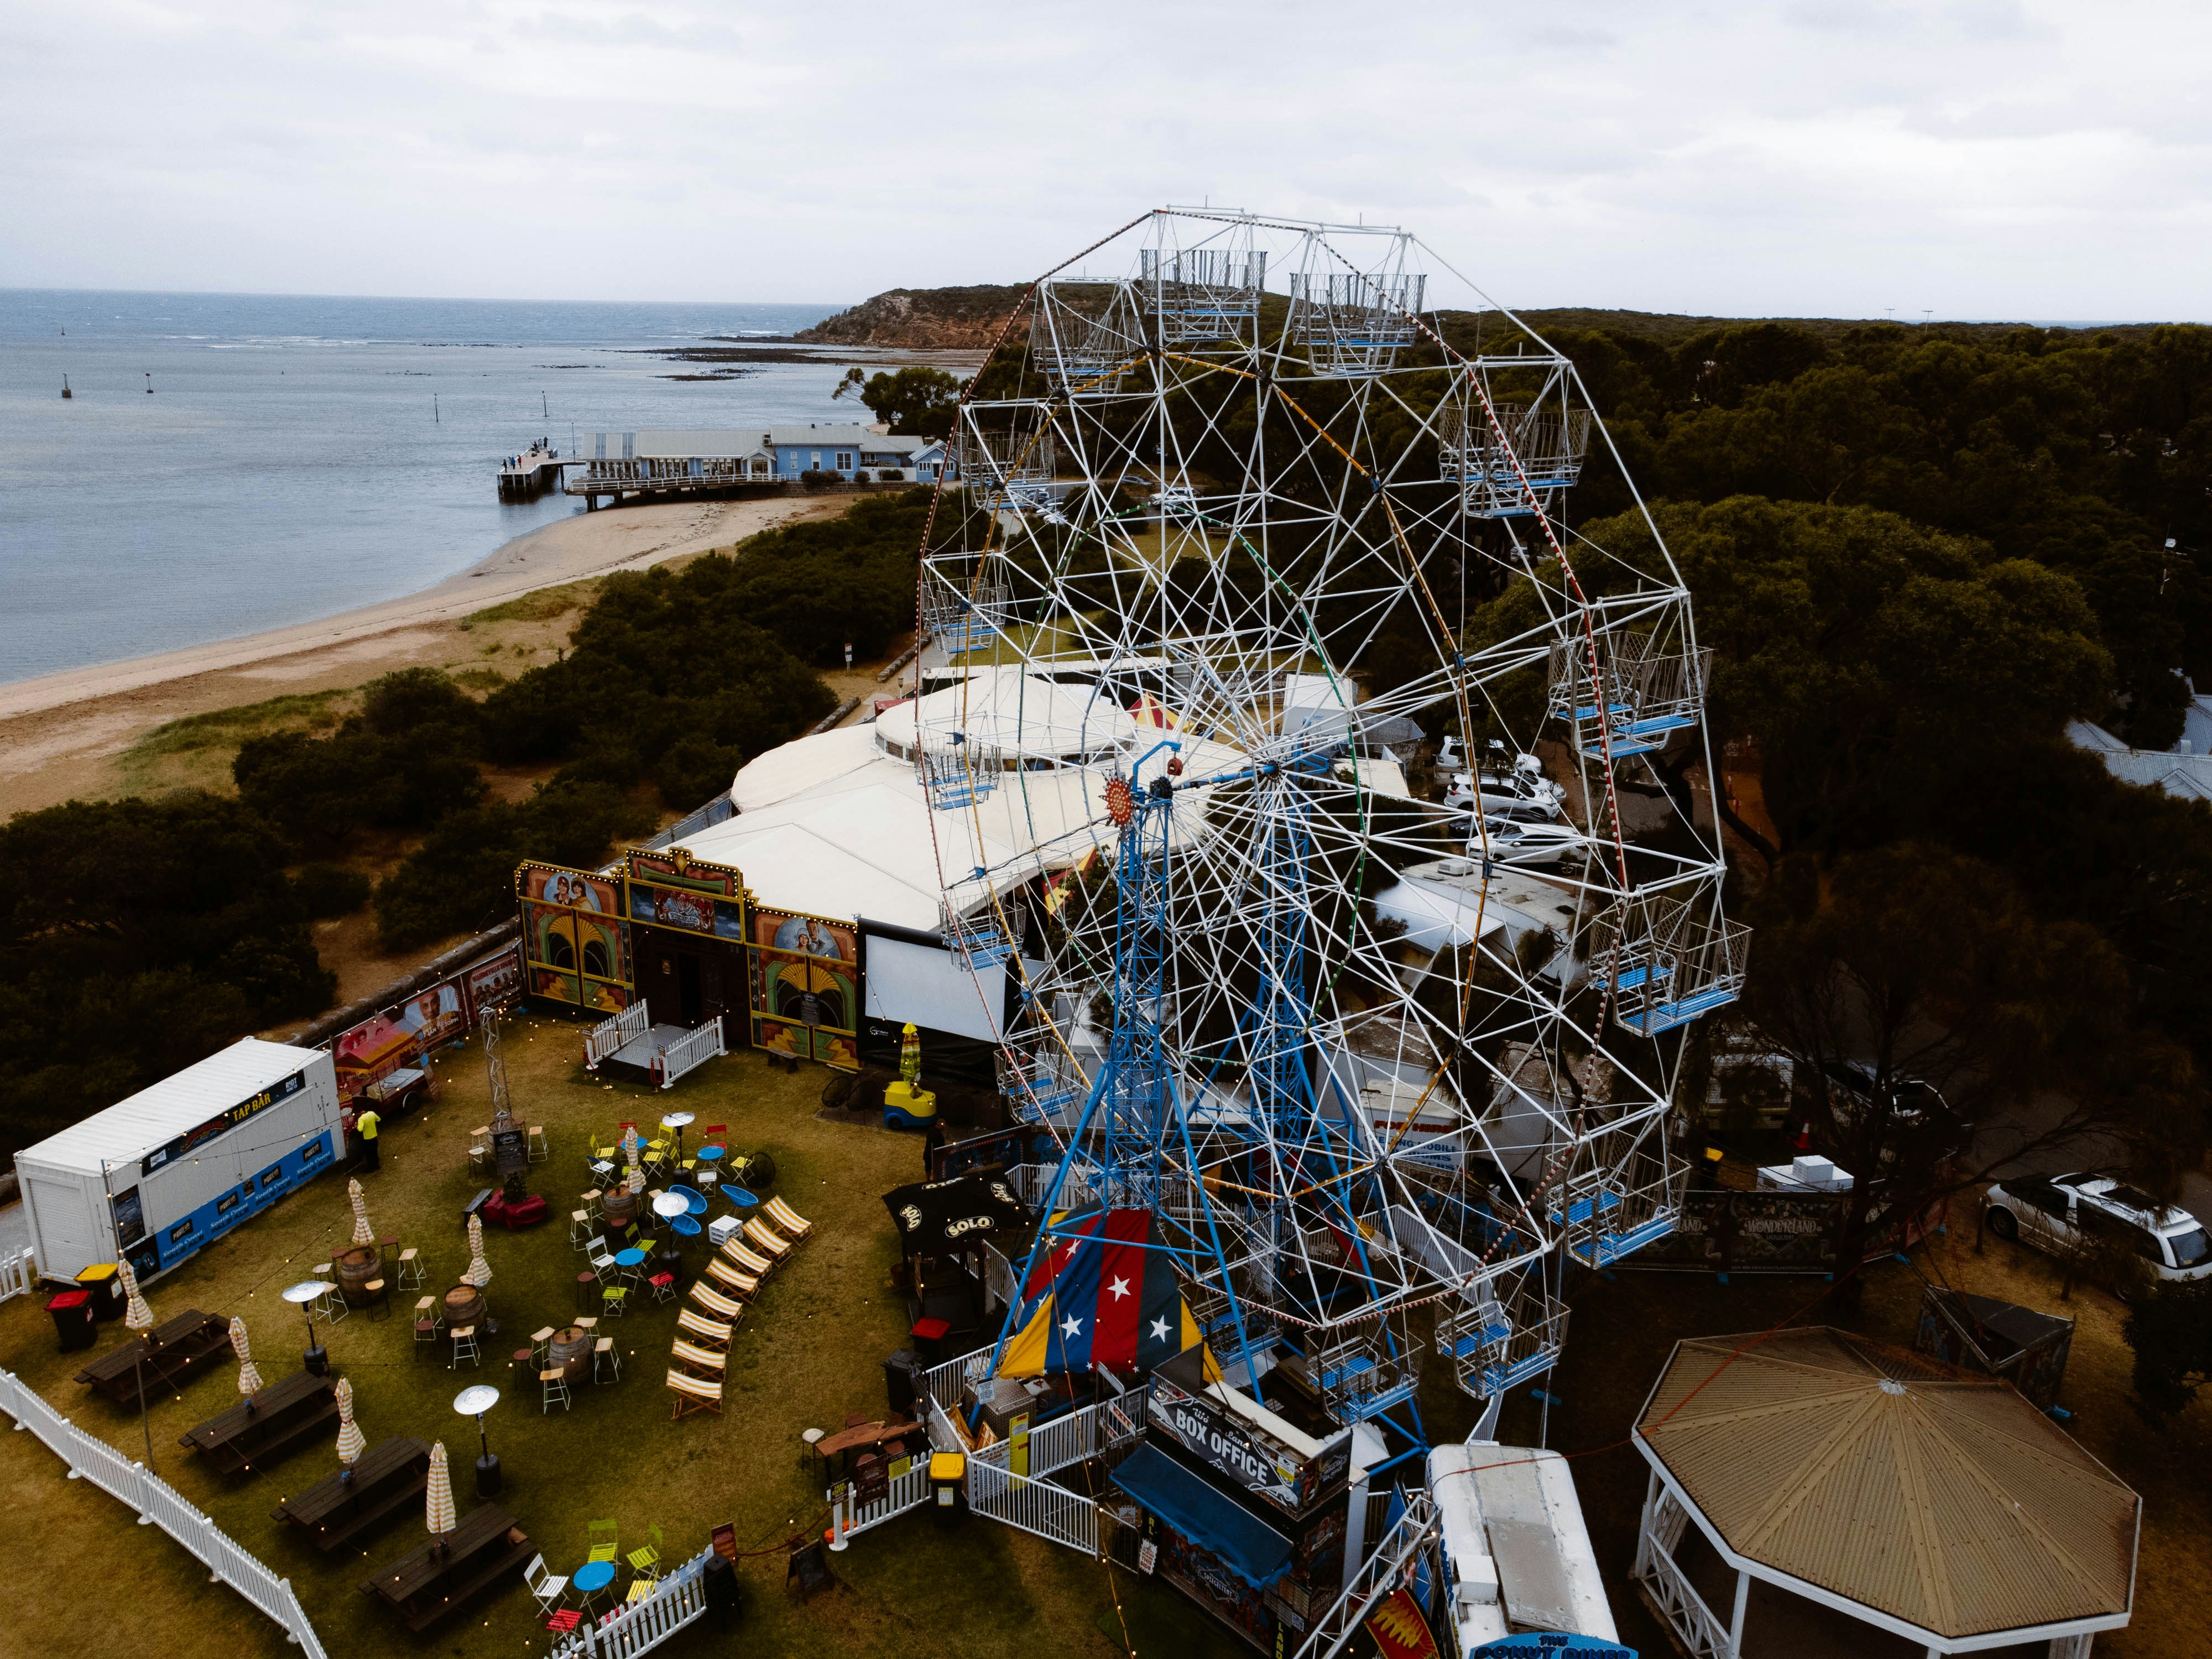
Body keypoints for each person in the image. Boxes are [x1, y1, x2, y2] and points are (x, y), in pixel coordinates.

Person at [355, 1103, 383, 1172]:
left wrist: (357, 1126)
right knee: (375, 1152)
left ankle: (370, 1168)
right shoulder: (372, 1113)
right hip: (374, 1136)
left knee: (369, 1154)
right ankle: (377, 1166)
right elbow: (379, 1119)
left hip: (367, 1139)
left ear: (359, 1113)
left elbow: (360, 1129)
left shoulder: (361, 1119)